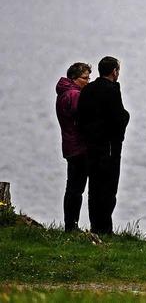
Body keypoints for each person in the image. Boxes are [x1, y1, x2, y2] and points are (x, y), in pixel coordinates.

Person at [77, 56, 130, 235]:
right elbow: (119, 118)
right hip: (109, 148)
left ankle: (95, 226)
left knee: (94, 188)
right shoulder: (112, 90)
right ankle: (105, 228)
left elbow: (80, 118)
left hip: (91, 146)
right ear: (114, 71)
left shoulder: (88, 89)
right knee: (108, 189)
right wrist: (127, 116)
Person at [55, 62, 92, 232]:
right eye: (85, 78)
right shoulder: (75, 95)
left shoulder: (63, 94)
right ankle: (72, 226)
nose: (88, 81)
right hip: (79, 146)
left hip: (69, 145)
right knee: (76, 189)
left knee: (72, 187)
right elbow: (83, 119)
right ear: (73, 78)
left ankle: (69, 224)